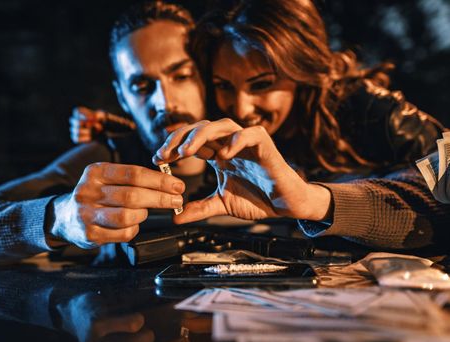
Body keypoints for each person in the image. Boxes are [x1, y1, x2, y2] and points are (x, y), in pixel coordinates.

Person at [153, 0, 450, 250]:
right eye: (225, 86)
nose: (242, 108)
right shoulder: (228, 137)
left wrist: (317, 200)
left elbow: (442, 196)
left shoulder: (375, 111)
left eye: (263, 84)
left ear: (300, 70)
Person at [0, 1, 209, 266]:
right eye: (141, 86)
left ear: (205, 76)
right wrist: (59, 218)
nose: (164, 102)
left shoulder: (244, 152)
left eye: (181, 75)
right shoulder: (107, 162)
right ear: (123, 99)